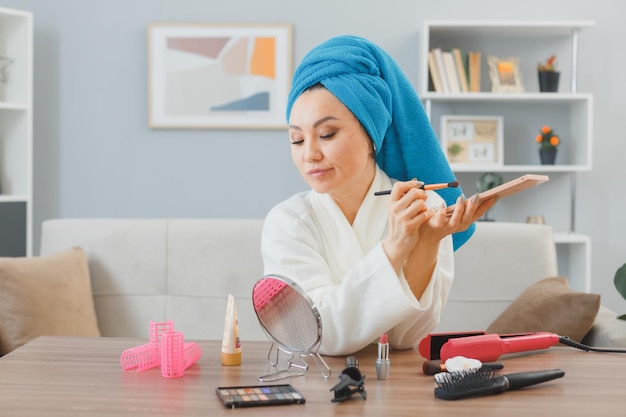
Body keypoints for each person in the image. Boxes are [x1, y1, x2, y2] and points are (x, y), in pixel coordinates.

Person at [261, 35, 496, 356]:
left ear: (372, 135)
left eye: (327, 134)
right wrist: (395, 247)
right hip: (315, 390)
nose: (310, 154)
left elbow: (406, 338)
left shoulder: (426, 207)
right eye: (297, 140)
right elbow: (313, 332)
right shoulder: (287, 222)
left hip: (402, 391)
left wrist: (426, 242)